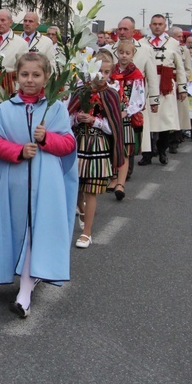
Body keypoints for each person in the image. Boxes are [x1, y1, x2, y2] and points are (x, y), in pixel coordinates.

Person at [0, 52, 77, 318]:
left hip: (46, 184)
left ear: (46, 77)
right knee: (19, 229)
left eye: (36, 75)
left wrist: (47, 140)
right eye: (24, 75)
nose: (30, 80)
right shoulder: (7, 109)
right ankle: (25, 275)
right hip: (15, 183)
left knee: (36, 230)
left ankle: (24, 294)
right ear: (16, 76)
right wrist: (19, 151)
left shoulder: (55, 108)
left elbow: (68, 144)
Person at [69, 50, 124, 249]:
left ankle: (87, 232)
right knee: (75, 187)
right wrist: (77, 118)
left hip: (98, 145)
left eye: (107, 72)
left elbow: (114, 127)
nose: (102, 75)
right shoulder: (79, 92)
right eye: (99, 71)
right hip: (77, 143)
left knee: (91, 190)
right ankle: (81, 210)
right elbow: (66, 119)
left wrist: (95, 121)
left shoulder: (110, 94)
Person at [138, 14, 187, 165]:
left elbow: (180, 67)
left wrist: (182, 87)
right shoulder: (141, 43)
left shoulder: (173, 43)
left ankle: (162, 151)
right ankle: (147, 153)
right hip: (147, 85)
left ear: (165, 26)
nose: (157, 26)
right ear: (150, 25)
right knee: (147, 121)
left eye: (160, 24)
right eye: (154, 24)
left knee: (165, 121)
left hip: (166, 86)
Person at [111, 17, 159, 159]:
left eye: (125, 29)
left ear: (133, 31)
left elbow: (152, 76)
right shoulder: (109, 49)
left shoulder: (145, 50)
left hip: (136, 98)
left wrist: (154, 100)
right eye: (119, 29)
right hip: (115, 98)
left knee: (132, 134)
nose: (122, 32)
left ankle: (128, 163)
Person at [109, 40, 145, 196]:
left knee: (124, 150)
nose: (124, 56)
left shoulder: (136, 75)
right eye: (121, 52)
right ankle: (113, 177)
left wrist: (127, 111)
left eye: (127, 53)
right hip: (111, 115)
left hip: (125, 117)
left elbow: (140, 99)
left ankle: (120, 184)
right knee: (111, 148)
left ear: (133, 55)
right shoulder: (111, 72)